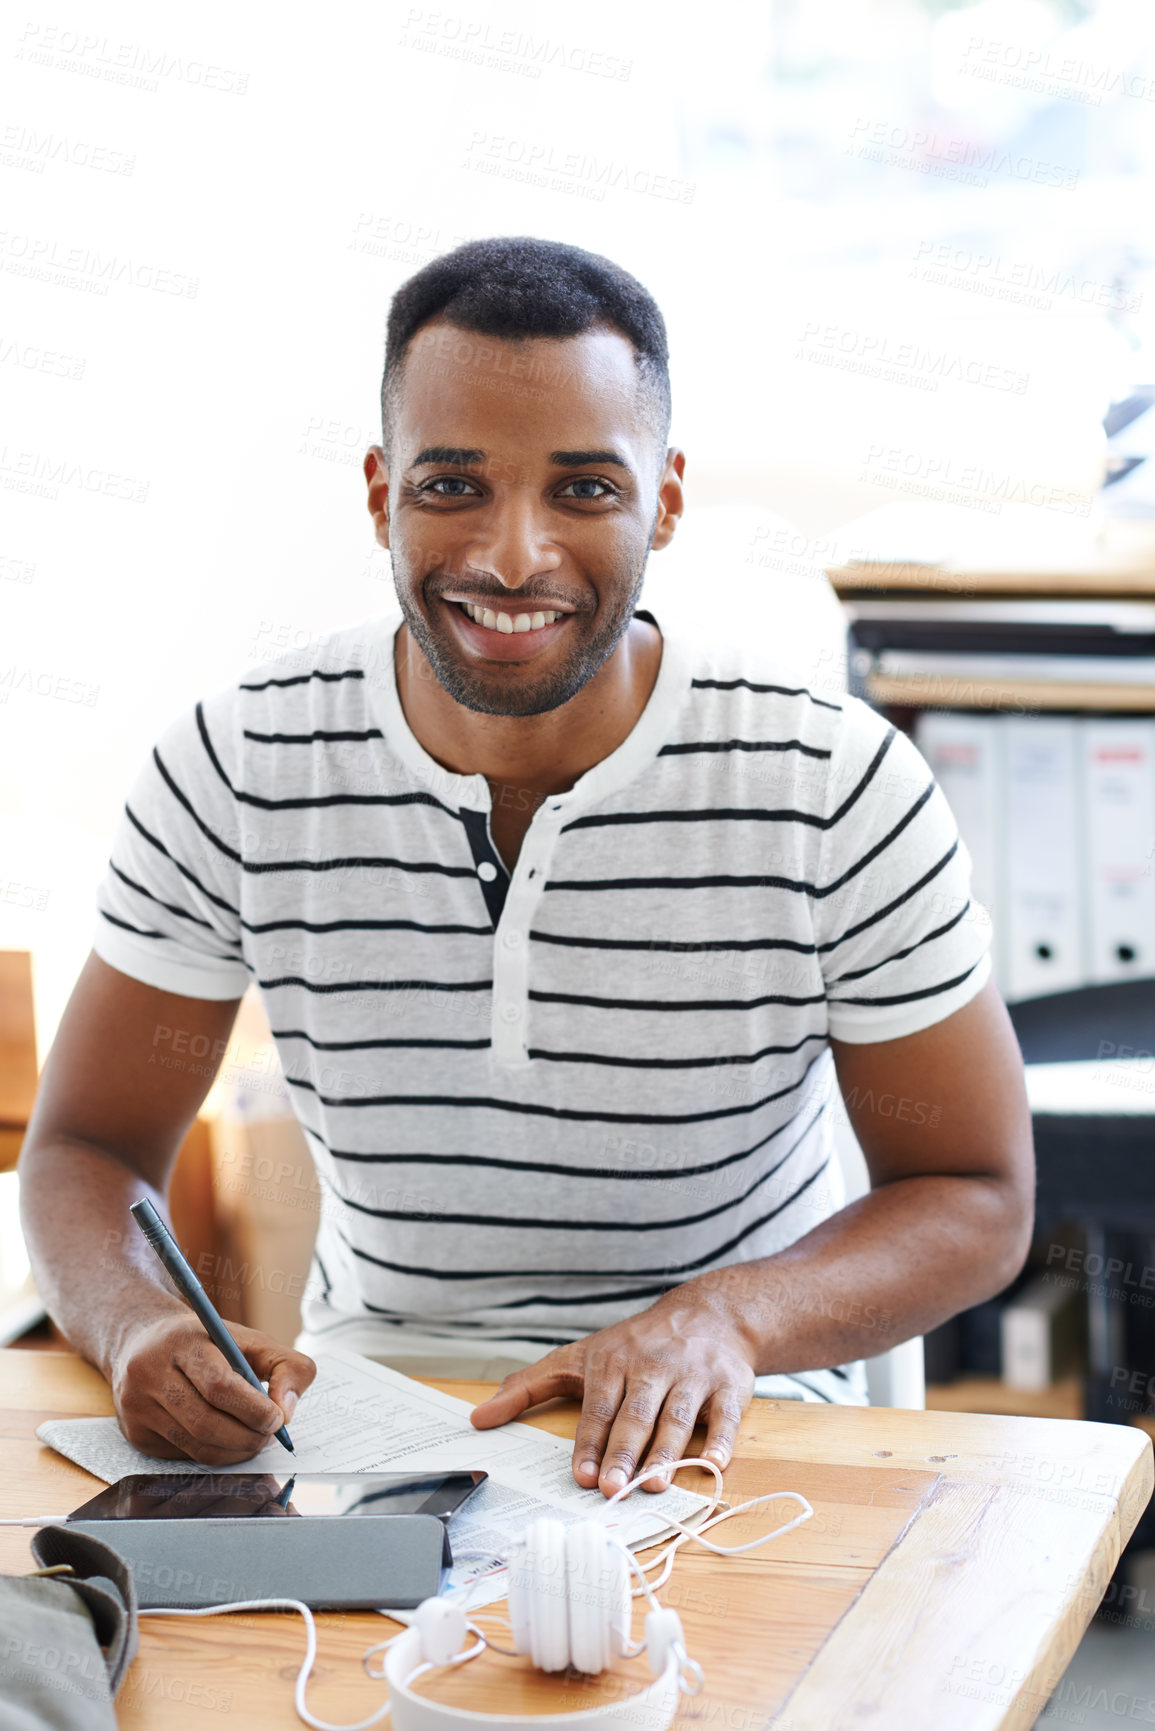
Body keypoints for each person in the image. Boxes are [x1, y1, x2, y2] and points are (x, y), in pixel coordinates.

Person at [19, 236, 1034, 1499]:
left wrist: (730, 1318)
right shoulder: (238, 763)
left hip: (735, 1418)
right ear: (381, 489)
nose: (513, 557)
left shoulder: (836, 784)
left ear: (663, 500)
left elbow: (976, 1193)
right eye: (454, 485)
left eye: (583, 490)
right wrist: (136, 1327)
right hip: (379, 1416)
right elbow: (85, 1150)